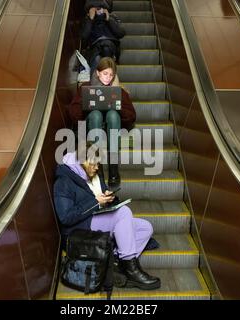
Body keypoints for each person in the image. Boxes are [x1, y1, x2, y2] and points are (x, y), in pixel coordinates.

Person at [53, 145, 161, 290]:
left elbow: (101, 197)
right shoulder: (64, 181)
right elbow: (65, 217)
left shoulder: (93, 175)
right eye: (94, 163)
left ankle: (115, 261)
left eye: (98, 163)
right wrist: (96, 202)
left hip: (96, 218)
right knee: (124, 213)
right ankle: (131, 269)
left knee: (145, 227)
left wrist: (110, 199)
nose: (97, 167)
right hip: (79, 229)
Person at [67, 57, 136, 187]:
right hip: (92, 126)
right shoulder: (86, 87)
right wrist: (87, 104)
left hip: (113, 128)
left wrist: (117, 106)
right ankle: (97, 168)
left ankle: (113, 168)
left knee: (113, 115)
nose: (108, 78)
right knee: (96, 115)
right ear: (98, 73)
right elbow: (73, 114)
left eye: (111, 75)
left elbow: (131, 116)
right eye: (105, 74)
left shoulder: (118, 91)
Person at [81, 0, 125, 71]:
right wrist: (90, 20)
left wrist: (109, 19)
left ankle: (108, 70)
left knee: (106, 48)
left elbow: (121, 33)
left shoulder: (112, 17)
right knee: (97, 59)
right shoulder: (87, 20)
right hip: (95, 47)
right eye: (94, 8)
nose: (97, 10)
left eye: (99, 8)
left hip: (110, 45)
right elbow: (83, 38)